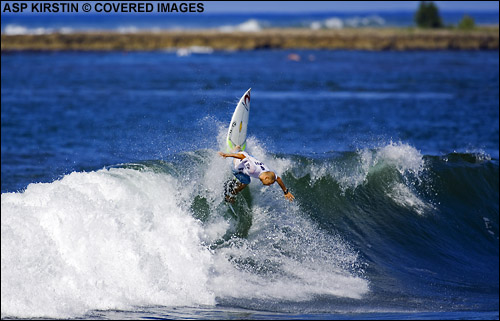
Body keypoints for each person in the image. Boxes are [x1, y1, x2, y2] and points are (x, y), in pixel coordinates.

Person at [218, 146, 295, 202]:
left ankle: (238, 149)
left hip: (248, 156)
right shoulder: (252, 170)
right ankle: (229, 195)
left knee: (250, 158)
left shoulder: (268, 172)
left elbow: (277, 178)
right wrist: (227, 155)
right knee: (247, 181)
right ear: (266, 178)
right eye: (269, 183)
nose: (269, 185)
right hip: (236, 165)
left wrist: (286, 192)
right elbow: (242, 157)